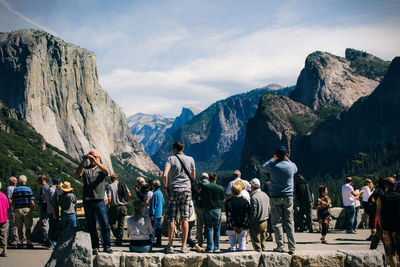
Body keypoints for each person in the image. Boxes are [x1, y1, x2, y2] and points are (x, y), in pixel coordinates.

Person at [261, 146, 297, 254]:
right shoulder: (291, 166)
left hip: (275, 196)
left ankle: (280, 245)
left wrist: (273, 158)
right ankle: (292, 247)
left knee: (277, 222)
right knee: (289, 222)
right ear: (286, 154)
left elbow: (263, 167)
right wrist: (287, 157)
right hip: (288, 197)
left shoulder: (272, 166)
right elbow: (295, 169)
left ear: (277, 155)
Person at [75, 150, 112, 254]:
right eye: (90, 157)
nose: (92, 159)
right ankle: (95, 247)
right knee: (91, 225)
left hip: (99, 200)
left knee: (104, 224)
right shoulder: (86, 169)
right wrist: (83, 162)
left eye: (94, 156)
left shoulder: (101, 169)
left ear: (98, 157)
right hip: (88, 200)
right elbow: (77, 174)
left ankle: (107, 246)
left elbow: (107, 171)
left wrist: (96, 161)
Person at [162, 141, 195, 253]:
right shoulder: (190, 159)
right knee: (185, 218)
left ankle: (170, 245)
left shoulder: (170, 159)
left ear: (175, 149)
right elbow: (193, 176)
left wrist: (166, 188)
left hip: (174, 190)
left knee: (171, 218)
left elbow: (165, 175)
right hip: (186, 190)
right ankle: (184, 246)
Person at [377, 177, 400, 267]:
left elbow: (378, 212)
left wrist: (380, 224)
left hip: (386, 227)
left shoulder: (381, 198)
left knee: (391, 252)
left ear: (386, 186)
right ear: (395, 185)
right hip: (399, 227)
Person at [199, 172, 225, 252]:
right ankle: (216, 247)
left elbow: (200, 197)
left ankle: (210, 247)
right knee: (217, 228)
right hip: (217, 210)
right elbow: (223, 200)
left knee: (209, 228)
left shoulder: (205, 187)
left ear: (209, 179)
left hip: (208, 209)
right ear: (216, 179)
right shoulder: (220, 188)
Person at [11, 175, 35, 249]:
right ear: (25, 181)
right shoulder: (28, 189)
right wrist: (32, 208)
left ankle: (20, 242)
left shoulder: (15, 190)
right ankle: (28, 242)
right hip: (26, 209)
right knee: (28, 227)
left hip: (18, 209)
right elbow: (31, 201)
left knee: (19, 227)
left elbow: (13, 201)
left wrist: (14, 209)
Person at [107, 174, 131, 246]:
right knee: (121, 224)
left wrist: (108, 207)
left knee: (112, 223)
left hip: (114, 207)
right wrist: (127, 201)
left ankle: (117, 236)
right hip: (123, 206)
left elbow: (109, 198)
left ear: (111, 179)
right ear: (117, 179)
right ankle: (119, 240)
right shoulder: (123, 184)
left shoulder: (110, 186)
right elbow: (129, 194)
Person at [225, 183, 250, 251]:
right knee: (242, 246)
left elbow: (229, 216)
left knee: (232, 246)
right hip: (243, 227)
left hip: (231, 227)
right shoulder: (245, 202)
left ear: (232, 191)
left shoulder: (228, 202)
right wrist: (242, 226)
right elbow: (247, 215)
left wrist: (233, 226)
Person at [249, 178, 270, 252]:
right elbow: (269, 209)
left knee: (256, 243)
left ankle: (259, 256)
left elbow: (253, 212)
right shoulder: (265, 195)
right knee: (263, 242)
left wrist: (250, 221)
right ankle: (264, 254)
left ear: (252, 186)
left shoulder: (253, 197)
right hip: (265, 221)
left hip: (256, 222)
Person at [46, 178, 62, 249]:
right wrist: (54, 213)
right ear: (58, 183)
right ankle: (52, 243)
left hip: (51, 211)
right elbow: (51, 203)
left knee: (53, 227)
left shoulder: (50, 189)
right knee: (53, 227)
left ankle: (52, 242)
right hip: (53, 211)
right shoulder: (52, 190)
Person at [369, 178, 385, 250]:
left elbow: (370, 199)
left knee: (377, 234)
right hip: (379, 211)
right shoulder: (381, 192)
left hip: (374, 209)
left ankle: (372, 249)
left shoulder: (376, 190)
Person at [196, 172, 209, 247]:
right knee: (208, 225)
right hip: (207, 207)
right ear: (207, 178)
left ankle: (200, 241)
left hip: (199, 206)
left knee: (199, 225)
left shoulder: (198, 185)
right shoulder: (209, 185)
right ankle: (208, 241)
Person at [149, 180, 164, 247]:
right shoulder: (160, 193)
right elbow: (163, 202)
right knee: (159, 229)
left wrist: (152, 214)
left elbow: (153, 205)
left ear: (153, 186)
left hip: (155, 214)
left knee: (153, 229)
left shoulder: (154, 194)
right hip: (160, 213)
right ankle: (159, 242)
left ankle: (151, 242)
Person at [37, 174, 50, 245]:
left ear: (42, 180)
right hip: (49, 208)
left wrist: (38, 201)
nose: (37, 182)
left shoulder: (43, 188)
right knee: (47, 222)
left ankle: (45, 239)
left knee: (44, 223)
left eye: (38, 180)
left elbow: (42, 198)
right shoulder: (48, 186)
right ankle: (48, 238)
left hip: (44, 207)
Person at [6, 177, 17, 247]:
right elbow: (9, 199)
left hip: (13, 209)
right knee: (13, 225)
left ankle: (11, 239)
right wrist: (14, 207)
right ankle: (13, 240)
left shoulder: (13, 188)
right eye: (15, 181)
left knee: (13, 225)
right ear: (13, 182)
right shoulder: (10, 189)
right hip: (12, 209)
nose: (16, 182)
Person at [0, 182, 9, 257]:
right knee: (4, 234)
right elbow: (7, 207)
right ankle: (4, 250)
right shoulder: (4, 196)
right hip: (3, 217)